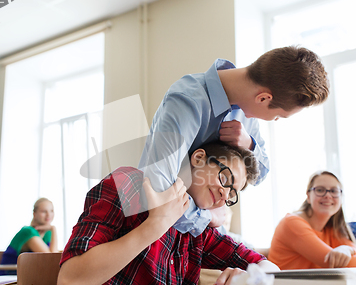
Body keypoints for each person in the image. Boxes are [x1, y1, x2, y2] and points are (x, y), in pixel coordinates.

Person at [56, 142, 279, 285]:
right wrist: (156, 224)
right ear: (199, 158)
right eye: (225, 178)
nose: (224, 194)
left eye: (232, 194)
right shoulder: (129, 184)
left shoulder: (198, 229)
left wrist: (253, 276)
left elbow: (271, 268)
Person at [139, 46, 330, 238]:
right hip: (157, 230)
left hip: (199, 234)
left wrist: (249, 145)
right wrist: (207, 217)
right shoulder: (187, 100)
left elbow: (260, 174)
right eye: (279, 116)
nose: (275, 120)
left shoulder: (247, 112)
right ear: (263, 98)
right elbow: (157, 186)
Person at [268, 171, 356, 272]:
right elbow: (335, 262)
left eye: (334, 191)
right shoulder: (292, 223)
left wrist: (347, 249)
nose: (328, 195)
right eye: (320, 190)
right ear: (308, 195)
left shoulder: (330, 228)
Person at [0, 198, 58, 285]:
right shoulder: (28, 232)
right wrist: (54, 229)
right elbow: (52, 259)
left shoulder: (46, 234)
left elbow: (53, 261)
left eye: (51, 210)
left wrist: (51, 231)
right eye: (44, 211)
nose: (49, 214)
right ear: (34, 214)